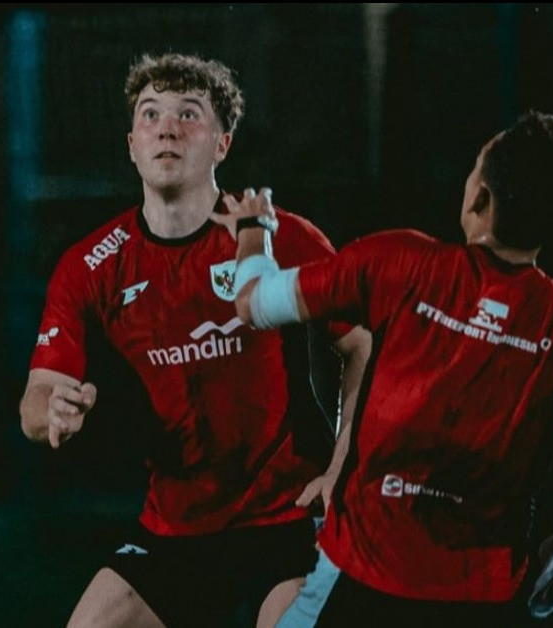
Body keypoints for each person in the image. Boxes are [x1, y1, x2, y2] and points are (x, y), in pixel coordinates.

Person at [213, 111, 553, 626]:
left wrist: (253, 229)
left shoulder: (398, 260)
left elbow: (253, 302)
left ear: (479, 199)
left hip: (362, 575)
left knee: (281, 608)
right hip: (480, 597)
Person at [19, 53, 371, 628]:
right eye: (151, 114)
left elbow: (362, 344)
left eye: (189, 113)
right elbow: (35, 404)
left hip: (284, 519)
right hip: (174, 527)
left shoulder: (277, 236)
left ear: (223, 144)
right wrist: (51, 409)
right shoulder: (90, 265)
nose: (167, 127)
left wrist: (345, 462)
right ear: (132, 143)